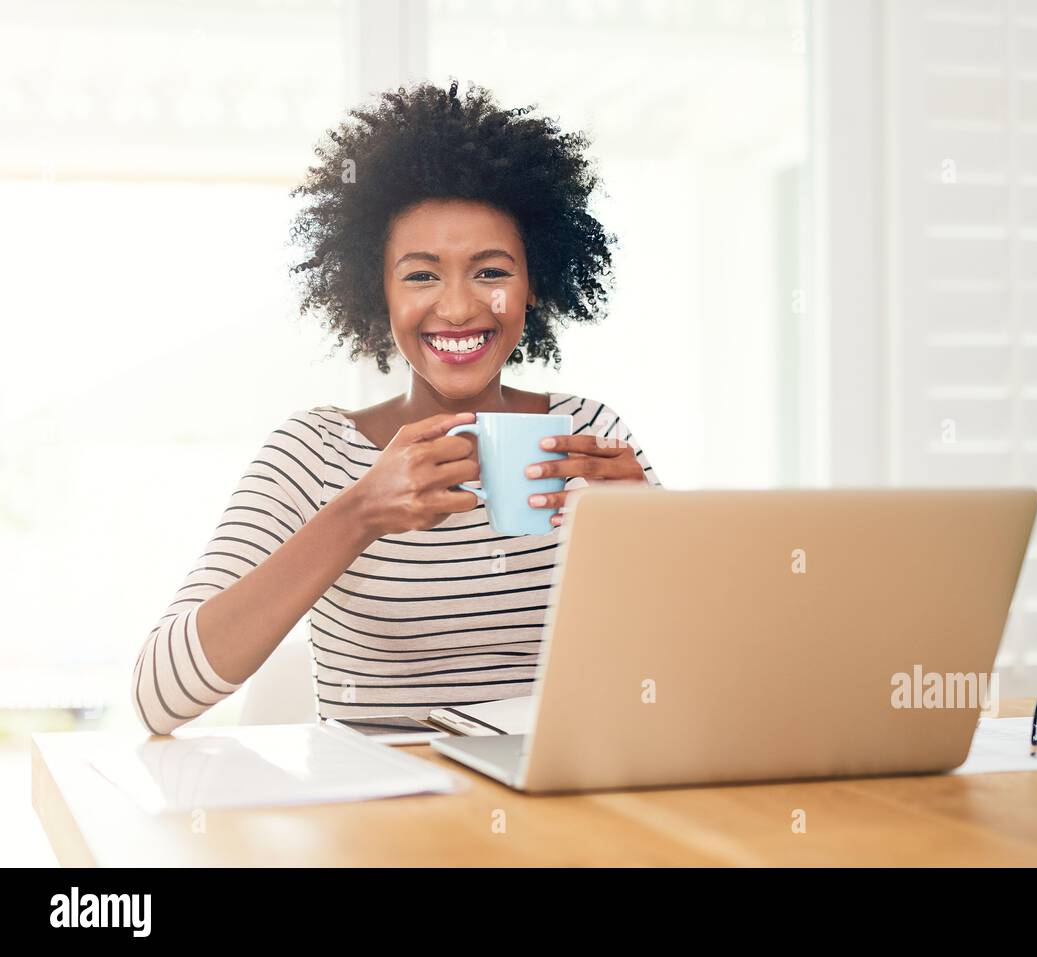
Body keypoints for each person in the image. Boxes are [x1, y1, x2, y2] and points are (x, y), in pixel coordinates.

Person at [132, 80, 660, 735]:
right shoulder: (316, 452)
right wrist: (357, 513)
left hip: (553, 811)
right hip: (376, 818)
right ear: (378, 293)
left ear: (532, 288)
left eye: (492, 272)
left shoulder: (590, 433)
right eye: (421, 274)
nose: (460, 307)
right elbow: (158, 697)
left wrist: (649, 538)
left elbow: (685, 675)